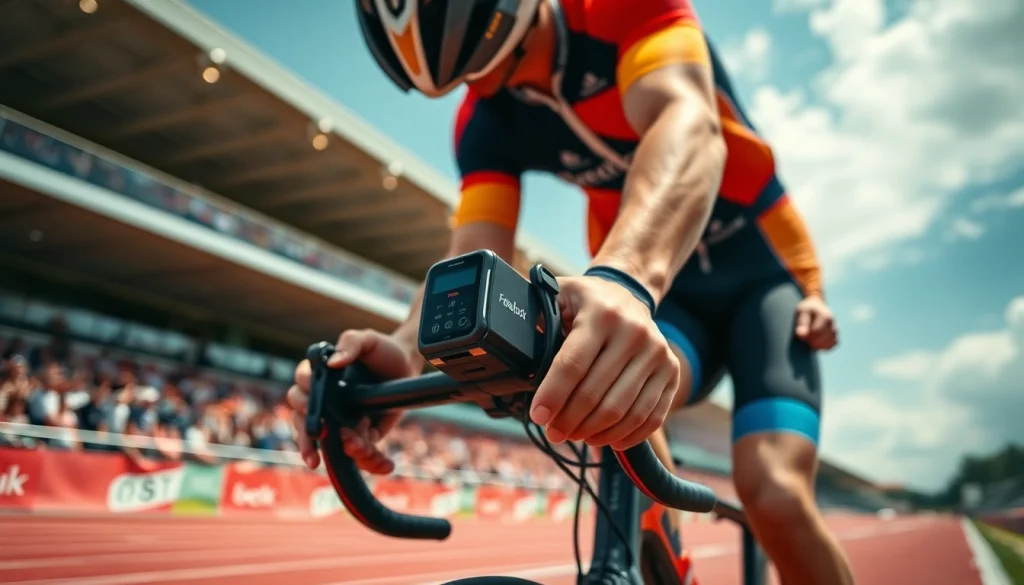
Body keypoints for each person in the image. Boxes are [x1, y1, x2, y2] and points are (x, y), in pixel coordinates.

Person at [288, 1, 855, 584]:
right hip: (681, 304)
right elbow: (472, 255)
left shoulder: (616, 9)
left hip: (763, 287)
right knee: (606, 389)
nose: (482, 89)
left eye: (484, 70)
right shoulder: (483, 121)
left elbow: (688, 128)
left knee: (776, 496)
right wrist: (408, 352)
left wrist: (623, 277)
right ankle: (661, 559)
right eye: (468, 79)